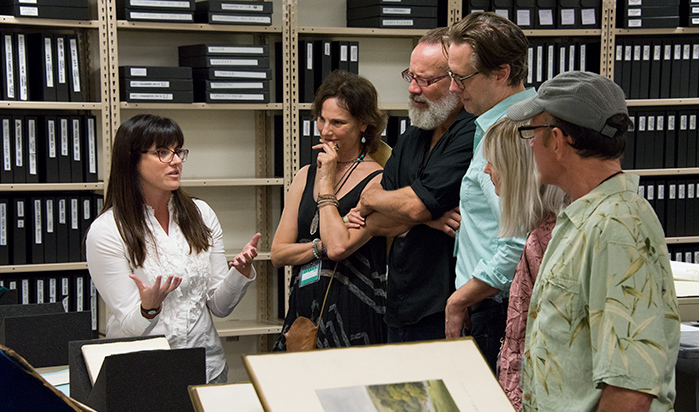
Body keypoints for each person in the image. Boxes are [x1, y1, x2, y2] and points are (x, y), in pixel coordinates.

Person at [508, 71, 680, 412]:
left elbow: (631, 384)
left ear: (557, 139)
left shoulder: (617, 228)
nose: (530, 143)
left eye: (532, 132)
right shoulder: (584, 217)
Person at [86, 114, 259, 384]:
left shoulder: (201, 214)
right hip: (143, 375)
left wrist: (240, 273)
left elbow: (219, 306)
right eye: (162, 152)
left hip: (207, 368)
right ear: (132, 161)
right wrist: (149, 309)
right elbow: (130, 326)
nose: (176, 161)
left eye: (178, 151)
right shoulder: (107, 230)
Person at [352, 28, 475, 343]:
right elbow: (376, 222)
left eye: (425, 80)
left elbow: (413, 204)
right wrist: (429, 218)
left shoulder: (472, 133)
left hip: (447, 310)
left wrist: (392, 203)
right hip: (401, 304)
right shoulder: (412, 136)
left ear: (455, 81)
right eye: (410, 76)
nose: (413, 89)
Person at [443, 12, 534, 372]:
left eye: (461, 78)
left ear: (502, 72)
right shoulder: (494, 123)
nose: (452, 88)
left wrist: (459, 300)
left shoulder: (512, 134)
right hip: (484, 304)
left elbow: (517, 240)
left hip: (494, 310)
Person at [271, 70, 387, 350]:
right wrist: (320, 245)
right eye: (322, 119)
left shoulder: (379, 179)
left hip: (355, 307)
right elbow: (278, 253)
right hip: (303, 305)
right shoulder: (304, 175)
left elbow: (341, 249)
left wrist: (326, 183)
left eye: (338, 122)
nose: (325, 130)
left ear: (364, 124)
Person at [481, 117, 568, 412]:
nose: (486, 170)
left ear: (516, 171)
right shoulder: (541, 232)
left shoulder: (546, 239)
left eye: (493, 162)